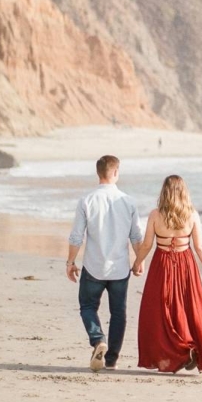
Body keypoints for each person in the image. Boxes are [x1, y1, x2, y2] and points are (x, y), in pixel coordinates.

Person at [131, 175, 202, 373]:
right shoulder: (192, 214)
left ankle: (177, 352)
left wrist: (137, 262)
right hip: (185, 264)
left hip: (161, 263)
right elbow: (199, 246)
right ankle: (188, 349)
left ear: (164, 192)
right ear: (184, 192)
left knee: (161, 311)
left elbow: (147, 244)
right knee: (189, 308)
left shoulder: (155, 215)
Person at [66, 155, 142, 372]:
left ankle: (98, 338)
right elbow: (136, 236)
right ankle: (111, 360)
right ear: (116, 172)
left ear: (98, 173)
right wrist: (139, 260)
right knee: (118, 313)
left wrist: (70, 262)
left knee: (88, 306)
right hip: (119, 268)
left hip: (94, 267)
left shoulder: (86, 200)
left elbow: (76, 237)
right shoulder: (128, 202)